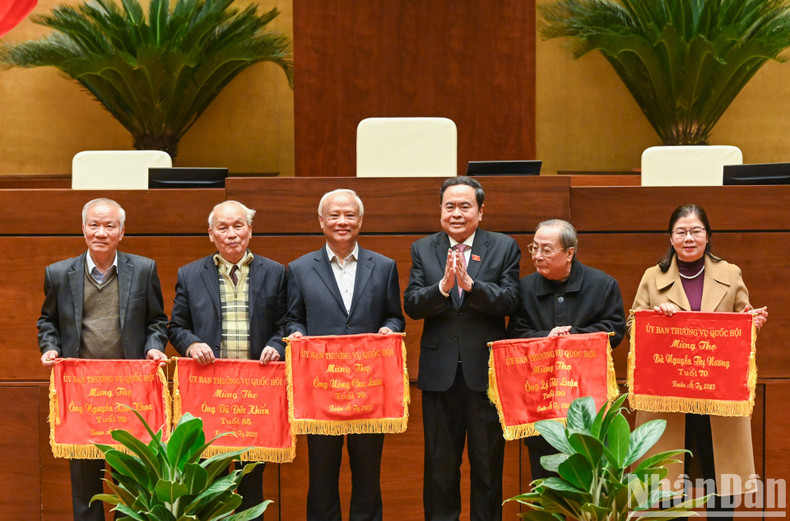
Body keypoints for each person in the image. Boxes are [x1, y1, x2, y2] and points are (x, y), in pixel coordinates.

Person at [630, 203, 768, 517]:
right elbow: (633, 327)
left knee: (719, 480)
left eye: (696, 231)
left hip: (717, 396)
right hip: (669, 395)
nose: (688, 238)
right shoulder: (653, 277)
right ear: (670, 237)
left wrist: (750, 323)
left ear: (707, 236)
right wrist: (656, 317)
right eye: (681, 232)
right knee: (668, 482)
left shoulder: (731, 274)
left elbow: (741, 325)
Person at [37, 198, 168, 521]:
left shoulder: (143, 269)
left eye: (109, 225)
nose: (101, 232)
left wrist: (154, 345)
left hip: (130, 393)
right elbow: (48, 321)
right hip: (83, 393)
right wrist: (49, 347)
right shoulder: (57, 274)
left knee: (131, 481)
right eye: (94, 224)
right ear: (83, 228)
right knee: (85, 481)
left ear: (122, 232)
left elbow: (156, 321)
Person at [404, 176, 521, 521]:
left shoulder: (503, 246)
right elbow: (412, 304)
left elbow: (511, 300)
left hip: (485, 375)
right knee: (440, 469)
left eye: (465, 206)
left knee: (487, 468)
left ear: (481, 211)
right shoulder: (424, 248)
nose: (456, 213)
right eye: (449, 206)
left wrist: (472, 286)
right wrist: (441, 288)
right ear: (440, 210)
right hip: (439, 377)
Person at [285, 188, 405, 521]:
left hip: (368, 391)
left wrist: (389, 329)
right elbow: (293, 316)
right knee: (321, 477)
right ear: (321, 220)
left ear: (361, 221)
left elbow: (394, 315)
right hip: (321, 391)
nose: (342, 221)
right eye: (334, 215)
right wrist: (296, 332)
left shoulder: (383, 266)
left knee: (368, 477)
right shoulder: (298, 268)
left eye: (349, 215)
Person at [168, 200, 287, 521]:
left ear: (250, 230)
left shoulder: (276, 273)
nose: (232, 234)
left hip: (255, 395)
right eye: (223, 227)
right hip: (210, 396)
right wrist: (191, 345)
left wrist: (278, 344)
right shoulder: (190, 274)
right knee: (208, 482)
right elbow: (176, 327)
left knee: (252, 481)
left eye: (238, 226)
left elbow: (286, 324)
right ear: (211, 234)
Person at [507, 219, 626, 480]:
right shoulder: (524, 289)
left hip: (589, 398)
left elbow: (615, 329)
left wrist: (572, 339)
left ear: (570, 252)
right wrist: (547, 338)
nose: (537, 256)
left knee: (595, 479)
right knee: (546, 479)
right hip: (543, 399)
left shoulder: (602, 284)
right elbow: (515, 334)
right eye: (534, 248)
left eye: (546, 250)